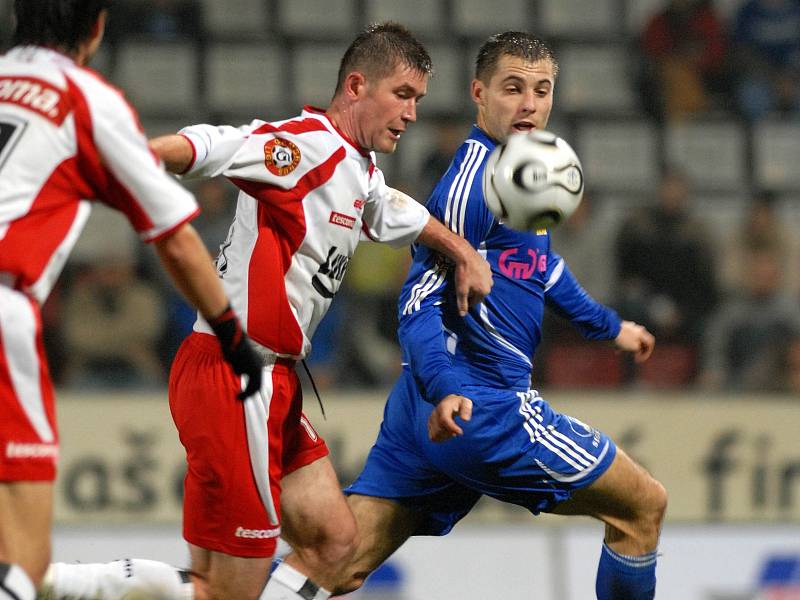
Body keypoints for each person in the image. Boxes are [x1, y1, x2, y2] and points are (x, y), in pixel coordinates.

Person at [41, 22, 492, 600]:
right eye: (402, 95)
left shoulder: (360, 168)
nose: (411, 113)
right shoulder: (303, 144)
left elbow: (394, 211)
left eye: (418, 100)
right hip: (236, 374)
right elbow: (217, 145)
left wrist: (461, 252)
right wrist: (137, 156)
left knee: (334, 545)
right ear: (356, 86)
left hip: (272, 380)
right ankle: (51, 584)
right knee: (229, 588)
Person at [310, 31, 665, 599]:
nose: (529, 104)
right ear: (480, 93)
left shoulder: (523, 169)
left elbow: (540, 268)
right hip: (481, 405)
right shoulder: (469, 187)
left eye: (541, 90)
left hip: (425, 409)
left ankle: (206, 592)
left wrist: (609, 326)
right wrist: (447, 386)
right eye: (513, 89)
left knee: (338, 564)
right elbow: (417, 303)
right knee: (642, 506)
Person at [0, 2, 264, 599]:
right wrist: (231, 334)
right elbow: (174, 239)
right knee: (25, 553)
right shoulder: (86, 101)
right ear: (96, 27)